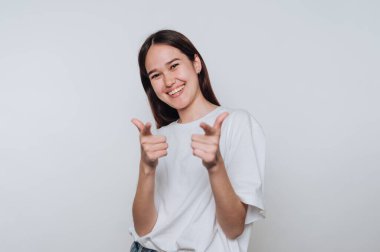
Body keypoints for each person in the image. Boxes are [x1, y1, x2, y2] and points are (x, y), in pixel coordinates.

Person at [129, 29, 265, 252]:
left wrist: (215, 166)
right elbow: (143, 229)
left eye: (174, 66)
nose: (169, 81)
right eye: (155, 75)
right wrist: (147, 168)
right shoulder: (159, 139)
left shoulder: (237, 123)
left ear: (196, 64)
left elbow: (234, 228)